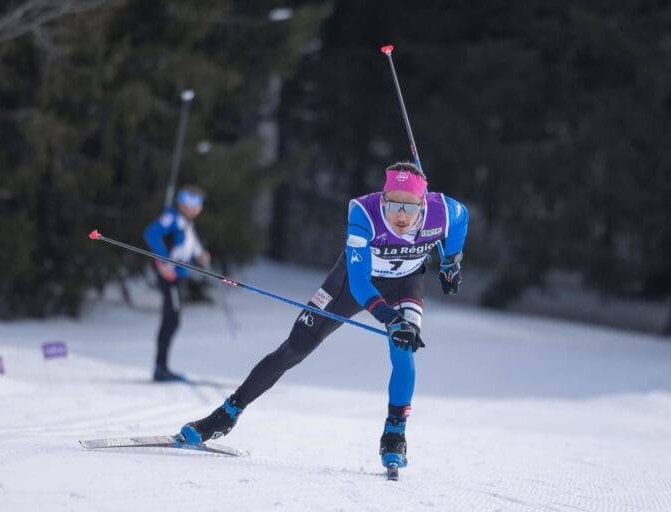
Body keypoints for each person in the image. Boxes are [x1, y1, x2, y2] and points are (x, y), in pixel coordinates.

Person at [179, 162, 468, 469]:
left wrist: (452, 260)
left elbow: (462, 219)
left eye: (409, 208)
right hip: (351, 283)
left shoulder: (446, 211)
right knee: (295, 347)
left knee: (404, 350)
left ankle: (394, 435)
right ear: (382, 199)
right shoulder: (363, 212)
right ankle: (226, 414)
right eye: (392, 205)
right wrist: (390, 319)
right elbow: (359, 283)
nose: (400, 215)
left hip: (405, 283)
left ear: (424, 204)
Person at [144, 186, 211, 382]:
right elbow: (151, 234)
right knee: (171, 320)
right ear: (181, 203)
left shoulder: (186, 223)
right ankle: (160, 368)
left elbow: (189, 245)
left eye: (198, 204)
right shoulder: (172, 218)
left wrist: (200, 255)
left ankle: (162, 367)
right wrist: (164, 262)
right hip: (170, 277)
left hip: (180, 275)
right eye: (190, 203)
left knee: (173, 320)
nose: (194, 208)